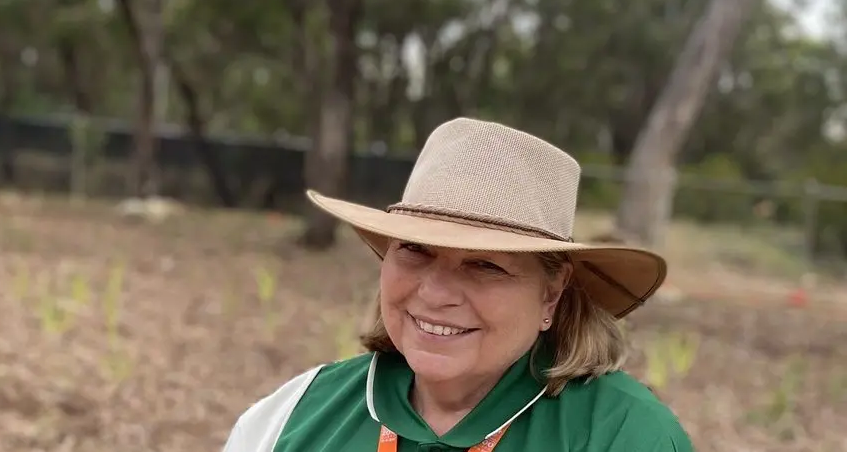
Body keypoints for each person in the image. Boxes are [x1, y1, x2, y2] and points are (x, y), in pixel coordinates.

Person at [223, 117, 693, 451]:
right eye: (415, 250)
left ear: (551, 293)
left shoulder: (623, 436)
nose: (435, 293)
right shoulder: (293, 415)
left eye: (486, 266)